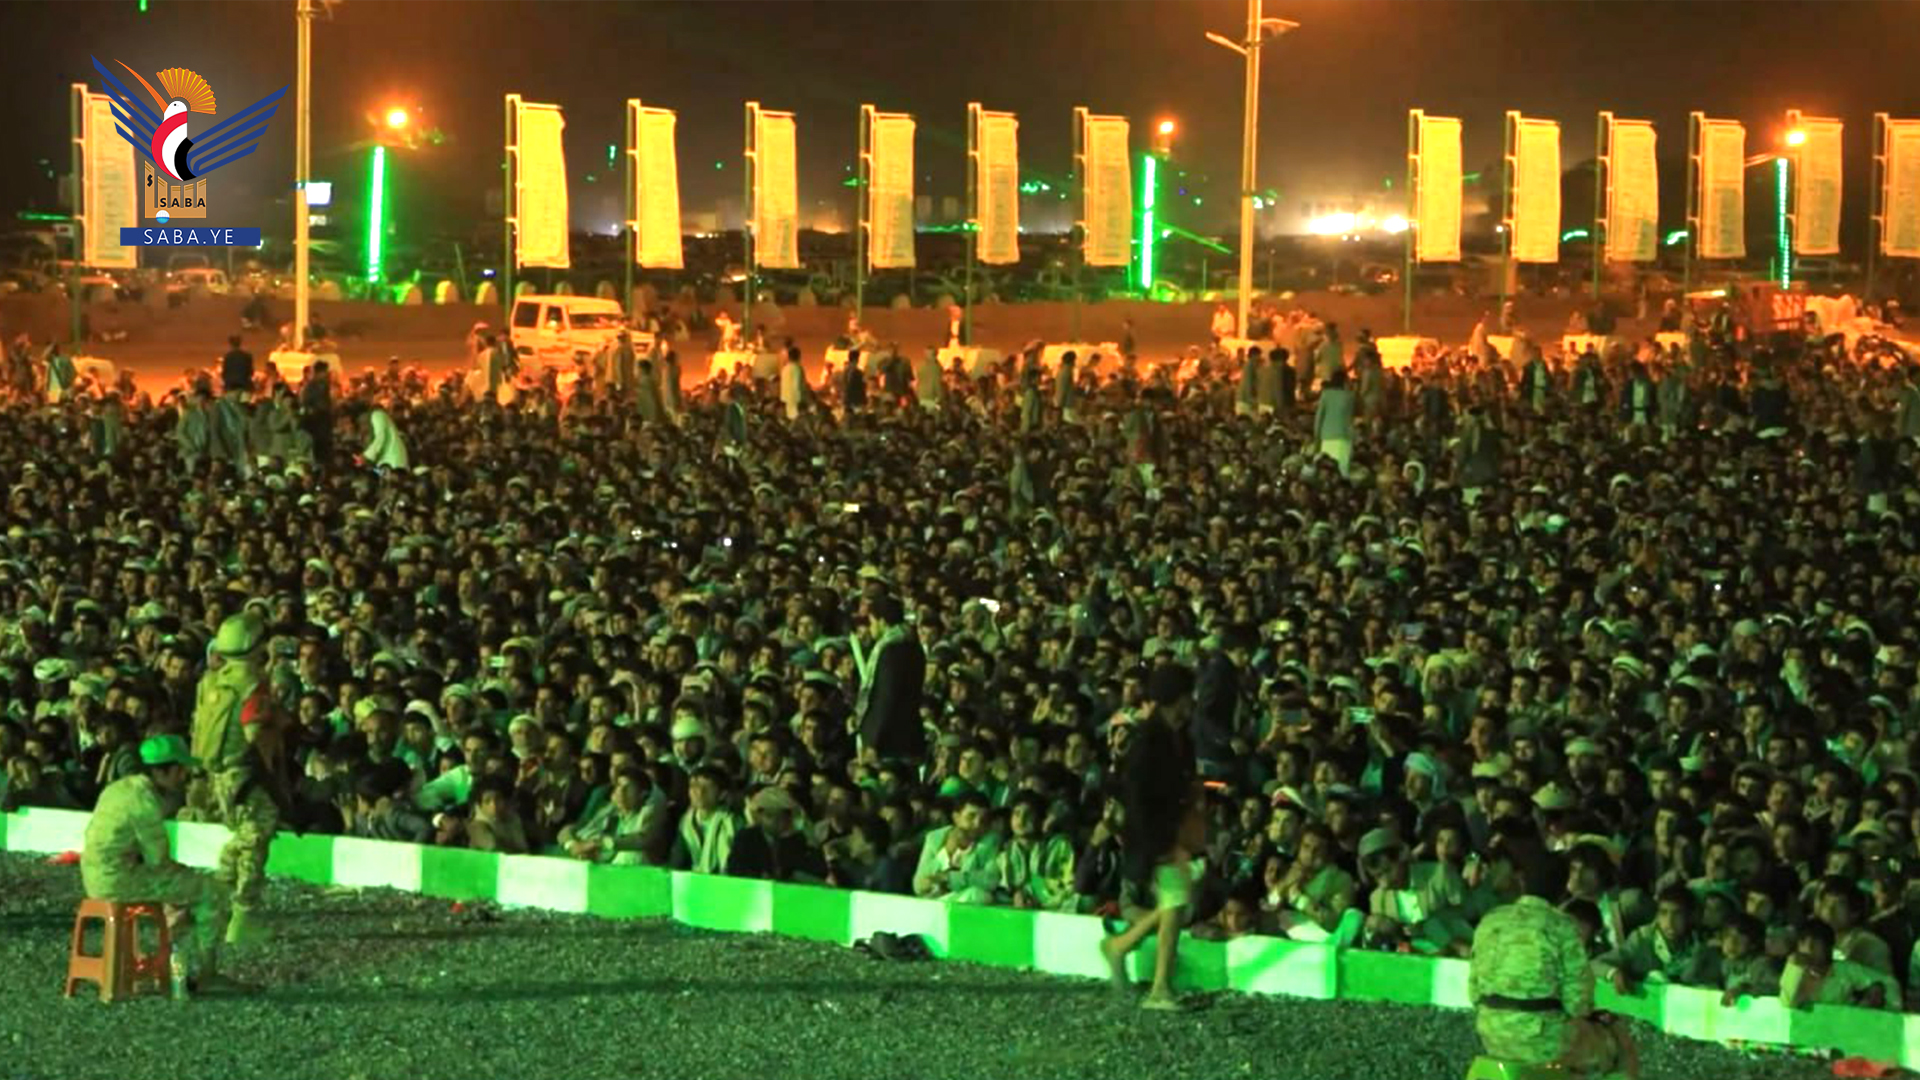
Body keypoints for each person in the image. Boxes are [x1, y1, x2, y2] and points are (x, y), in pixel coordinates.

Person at [1469, 827, 1639, 1077]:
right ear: (1562, 890)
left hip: (1491, 1035)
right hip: (1546, 1042)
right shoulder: (1563, 927)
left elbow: (1473, 993)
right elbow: (1578, 1004)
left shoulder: (1491, 920)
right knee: (1617, 1041)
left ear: (1523, 882)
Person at [82, 735, 238, 999]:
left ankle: (164, 963)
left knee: (182, 888)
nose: (184, 777)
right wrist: (186, 877)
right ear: (163, 772)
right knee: (210, 891)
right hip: (119, 880)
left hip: (94, 875)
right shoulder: (145, 804)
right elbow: (158, 861)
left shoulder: (119, 788)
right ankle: (207, 974)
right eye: (180, 770)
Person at [1101, 663, 1205, 1010]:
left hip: (1164, 834)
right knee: (1175, 903)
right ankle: (1159, 987)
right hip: (1154, 838)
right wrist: (1164, 846)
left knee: (1174, 904)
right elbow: (1138, 800)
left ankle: (1121, 947)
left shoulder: (1175, 735)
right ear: (1177, 698)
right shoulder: (1149, 741)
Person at [185, 613, 290, 946]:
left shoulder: (211, 681)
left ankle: (216, 897)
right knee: (256, 839)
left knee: (244, 837)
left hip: (216, 776)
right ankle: (243, 916)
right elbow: (254, 732)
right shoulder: (252, 685)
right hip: (245, 774)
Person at [853, 594, 925, 768]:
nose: (870, 627)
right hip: (908, 733)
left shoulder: (891, 651)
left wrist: (874, 740)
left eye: (871, 622)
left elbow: (885, 697)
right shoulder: (913, 645)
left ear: (882, 621)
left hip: (890, 740)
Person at [1314, 368, 1356, 477]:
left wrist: (1317, 436)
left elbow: (1319, 417)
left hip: (1327, 436)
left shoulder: (1326, 395)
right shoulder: (1350, 396)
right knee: (1342, 470)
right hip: (1344, 436)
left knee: (1326, 468)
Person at [360, 404, 409, 469]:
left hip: (393, 458)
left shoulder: (377, 415)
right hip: (388, 459)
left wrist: (366, 456)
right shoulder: (375, 418)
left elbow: (380, 437)